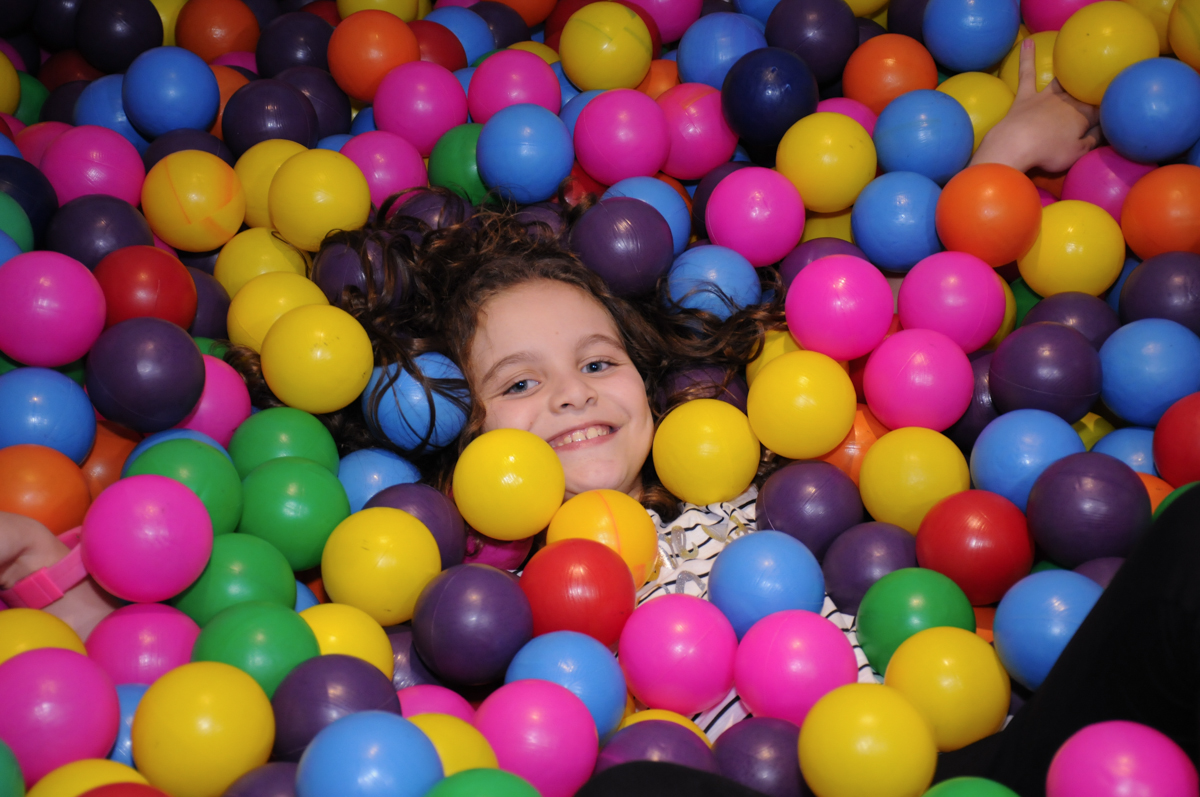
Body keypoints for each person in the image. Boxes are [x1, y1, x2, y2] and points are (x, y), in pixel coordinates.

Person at [0, 36, 1130, 797]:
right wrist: (75, 579)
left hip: (952, 755)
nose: (575, 391)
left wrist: (998, 159)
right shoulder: (460, 585)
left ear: (652, 377)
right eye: (521, 383)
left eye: (597, 360)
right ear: (460, 436)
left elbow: (902, 330)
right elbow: (248, 660)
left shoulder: (752, 481)